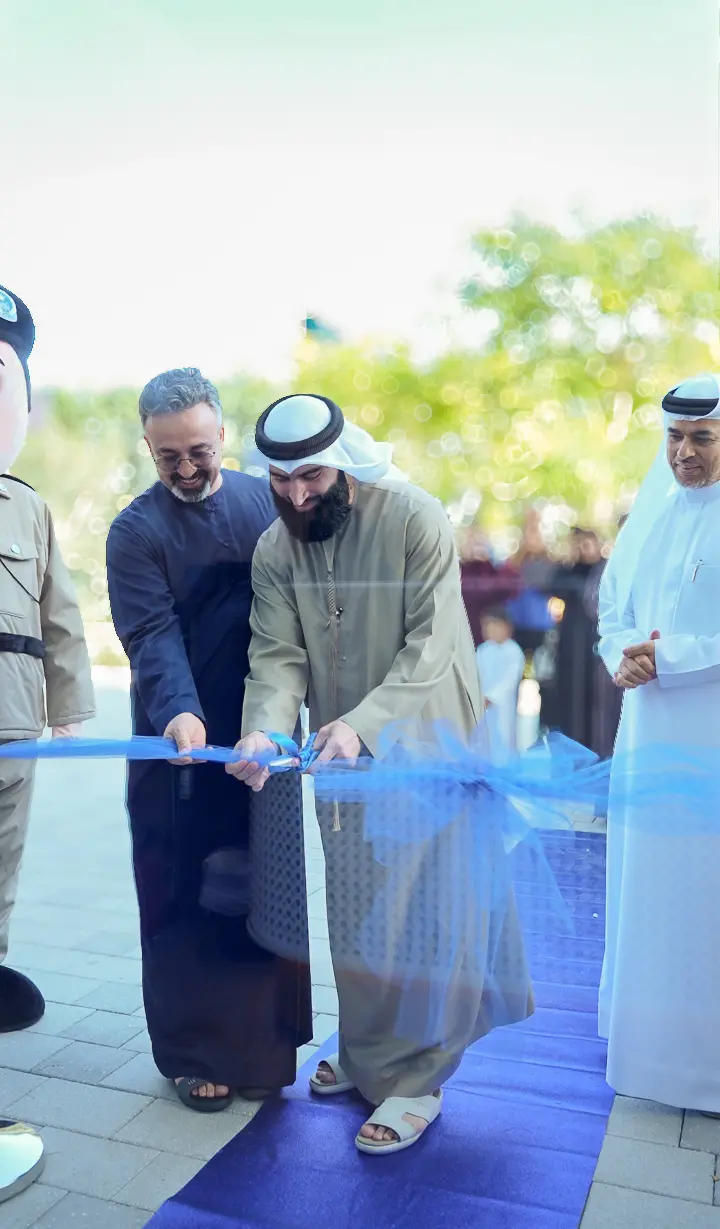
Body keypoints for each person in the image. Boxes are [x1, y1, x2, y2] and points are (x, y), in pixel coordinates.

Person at [227, 394, 534, 1154]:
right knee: (359, 904)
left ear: (346, 464)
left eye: (313, 477)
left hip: (427, 742)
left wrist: (365, 724)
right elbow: (277, 653)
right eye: (282, 481)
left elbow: (431, 648)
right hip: (339, 756)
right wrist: (265, 729)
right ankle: (369, 1055)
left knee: (425, 912)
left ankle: (417, 1079)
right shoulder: (274, 548)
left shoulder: (414, 517)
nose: (299, 496)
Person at [106, 368, 312, 1114]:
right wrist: (179, 714)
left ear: (223, 433)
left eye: (199, 450)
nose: (188, 469)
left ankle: (264, 1049)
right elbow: (150, 635)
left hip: (264, 735)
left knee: (263, 893)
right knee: (186, 896)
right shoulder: (135, 531)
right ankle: (195, 1053)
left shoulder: (268, 500)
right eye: (170, 458)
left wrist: (286, 718)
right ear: (149, 451)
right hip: (179, 747)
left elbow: (299, 614)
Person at [597, 373, 720, 1113]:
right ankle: (648, 1046)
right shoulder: (654, 514)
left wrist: (664, 656)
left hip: (711, 731)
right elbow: (616, 606)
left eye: (701, 438)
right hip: (648, 726)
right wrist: (626, 652)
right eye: (674, 437)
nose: (683, 452)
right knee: (652, 878)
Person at [0, 283, 95, 1201]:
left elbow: (58, 616)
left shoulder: (26, 507)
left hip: (14, 731)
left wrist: (70, 708)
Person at [541, 528, 603, 745]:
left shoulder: (602, 570)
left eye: (586, 545)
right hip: (569, 639)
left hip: (593, 638)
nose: (582, 550)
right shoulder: (566, 571)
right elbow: (552, 586)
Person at [459, 530, 524, 648]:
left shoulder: (496, 571)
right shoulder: (459, 571)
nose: (477, 549)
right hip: (464, 631)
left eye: (481, 544)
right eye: (474, 544)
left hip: (491, 638)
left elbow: (512, 589)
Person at [475, 607, 526, 758]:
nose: (486, 629)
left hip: (502, 709)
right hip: (481, 706)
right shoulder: (483, 650)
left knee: (502, 745)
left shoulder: (513, 651)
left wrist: (491, 697)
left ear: (505, 626)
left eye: (490, 624)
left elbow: (509, 681)